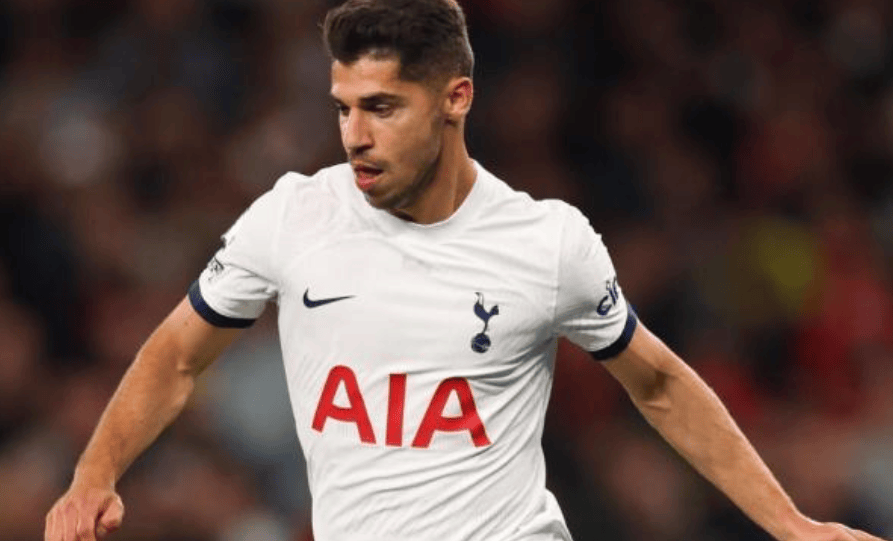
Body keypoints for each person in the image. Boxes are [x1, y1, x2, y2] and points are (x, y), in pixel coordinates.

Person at [44, 1, 888, 540]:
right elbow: (176, 354)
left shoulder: (545, 243)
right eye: (343, 108)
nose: (354, 136)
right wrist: (92, 475)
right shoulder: (293, 215)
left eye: (382, 108)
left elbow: (659, 383)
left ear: (456, 98)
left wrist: (789, 523)